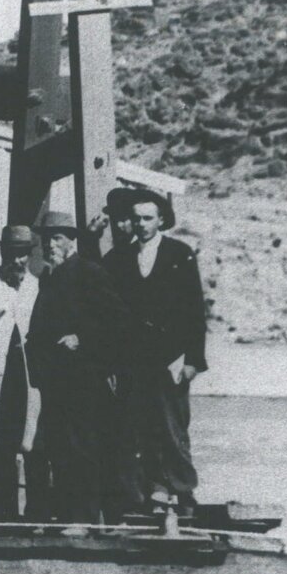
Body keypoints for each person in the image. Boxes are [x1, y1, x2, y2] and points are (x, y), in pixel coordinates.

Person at [24, 211, 137, 522]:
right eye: (46, 239)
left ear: (72, 240)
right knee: (59, 448)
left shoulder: (89, 272)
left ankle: (85, 518)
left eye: (57, 237)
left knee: (82, 449)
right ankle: (68, 514)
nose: (50, 245)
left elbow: (120, 322)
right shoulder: (50, 278)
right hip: (54, 381)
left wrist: (82, 338)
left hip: (83, 379)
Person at [101, 187, 207, 517]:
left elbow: (194, 309)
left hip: (171, 358)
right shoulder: (119, 259)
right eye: (136, 219)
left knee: (173, 427)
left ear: (161, 220)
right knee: (137, 427)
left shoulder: (180, 253)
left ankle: (183, 491)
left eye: (149, 218)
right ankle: (153, 492)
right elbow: (110, 313)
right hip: (134, 359)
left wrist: (192, 360)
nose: (142, 224)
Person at [0, 225, 42, 518]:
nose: (16, 261)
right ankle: (2, 512)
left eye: (22, 255)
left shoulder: (38, 286)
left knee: (34, 441)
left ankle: (37, 512)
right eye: (11, 254)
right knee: (1, 442)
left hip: (30, 373)